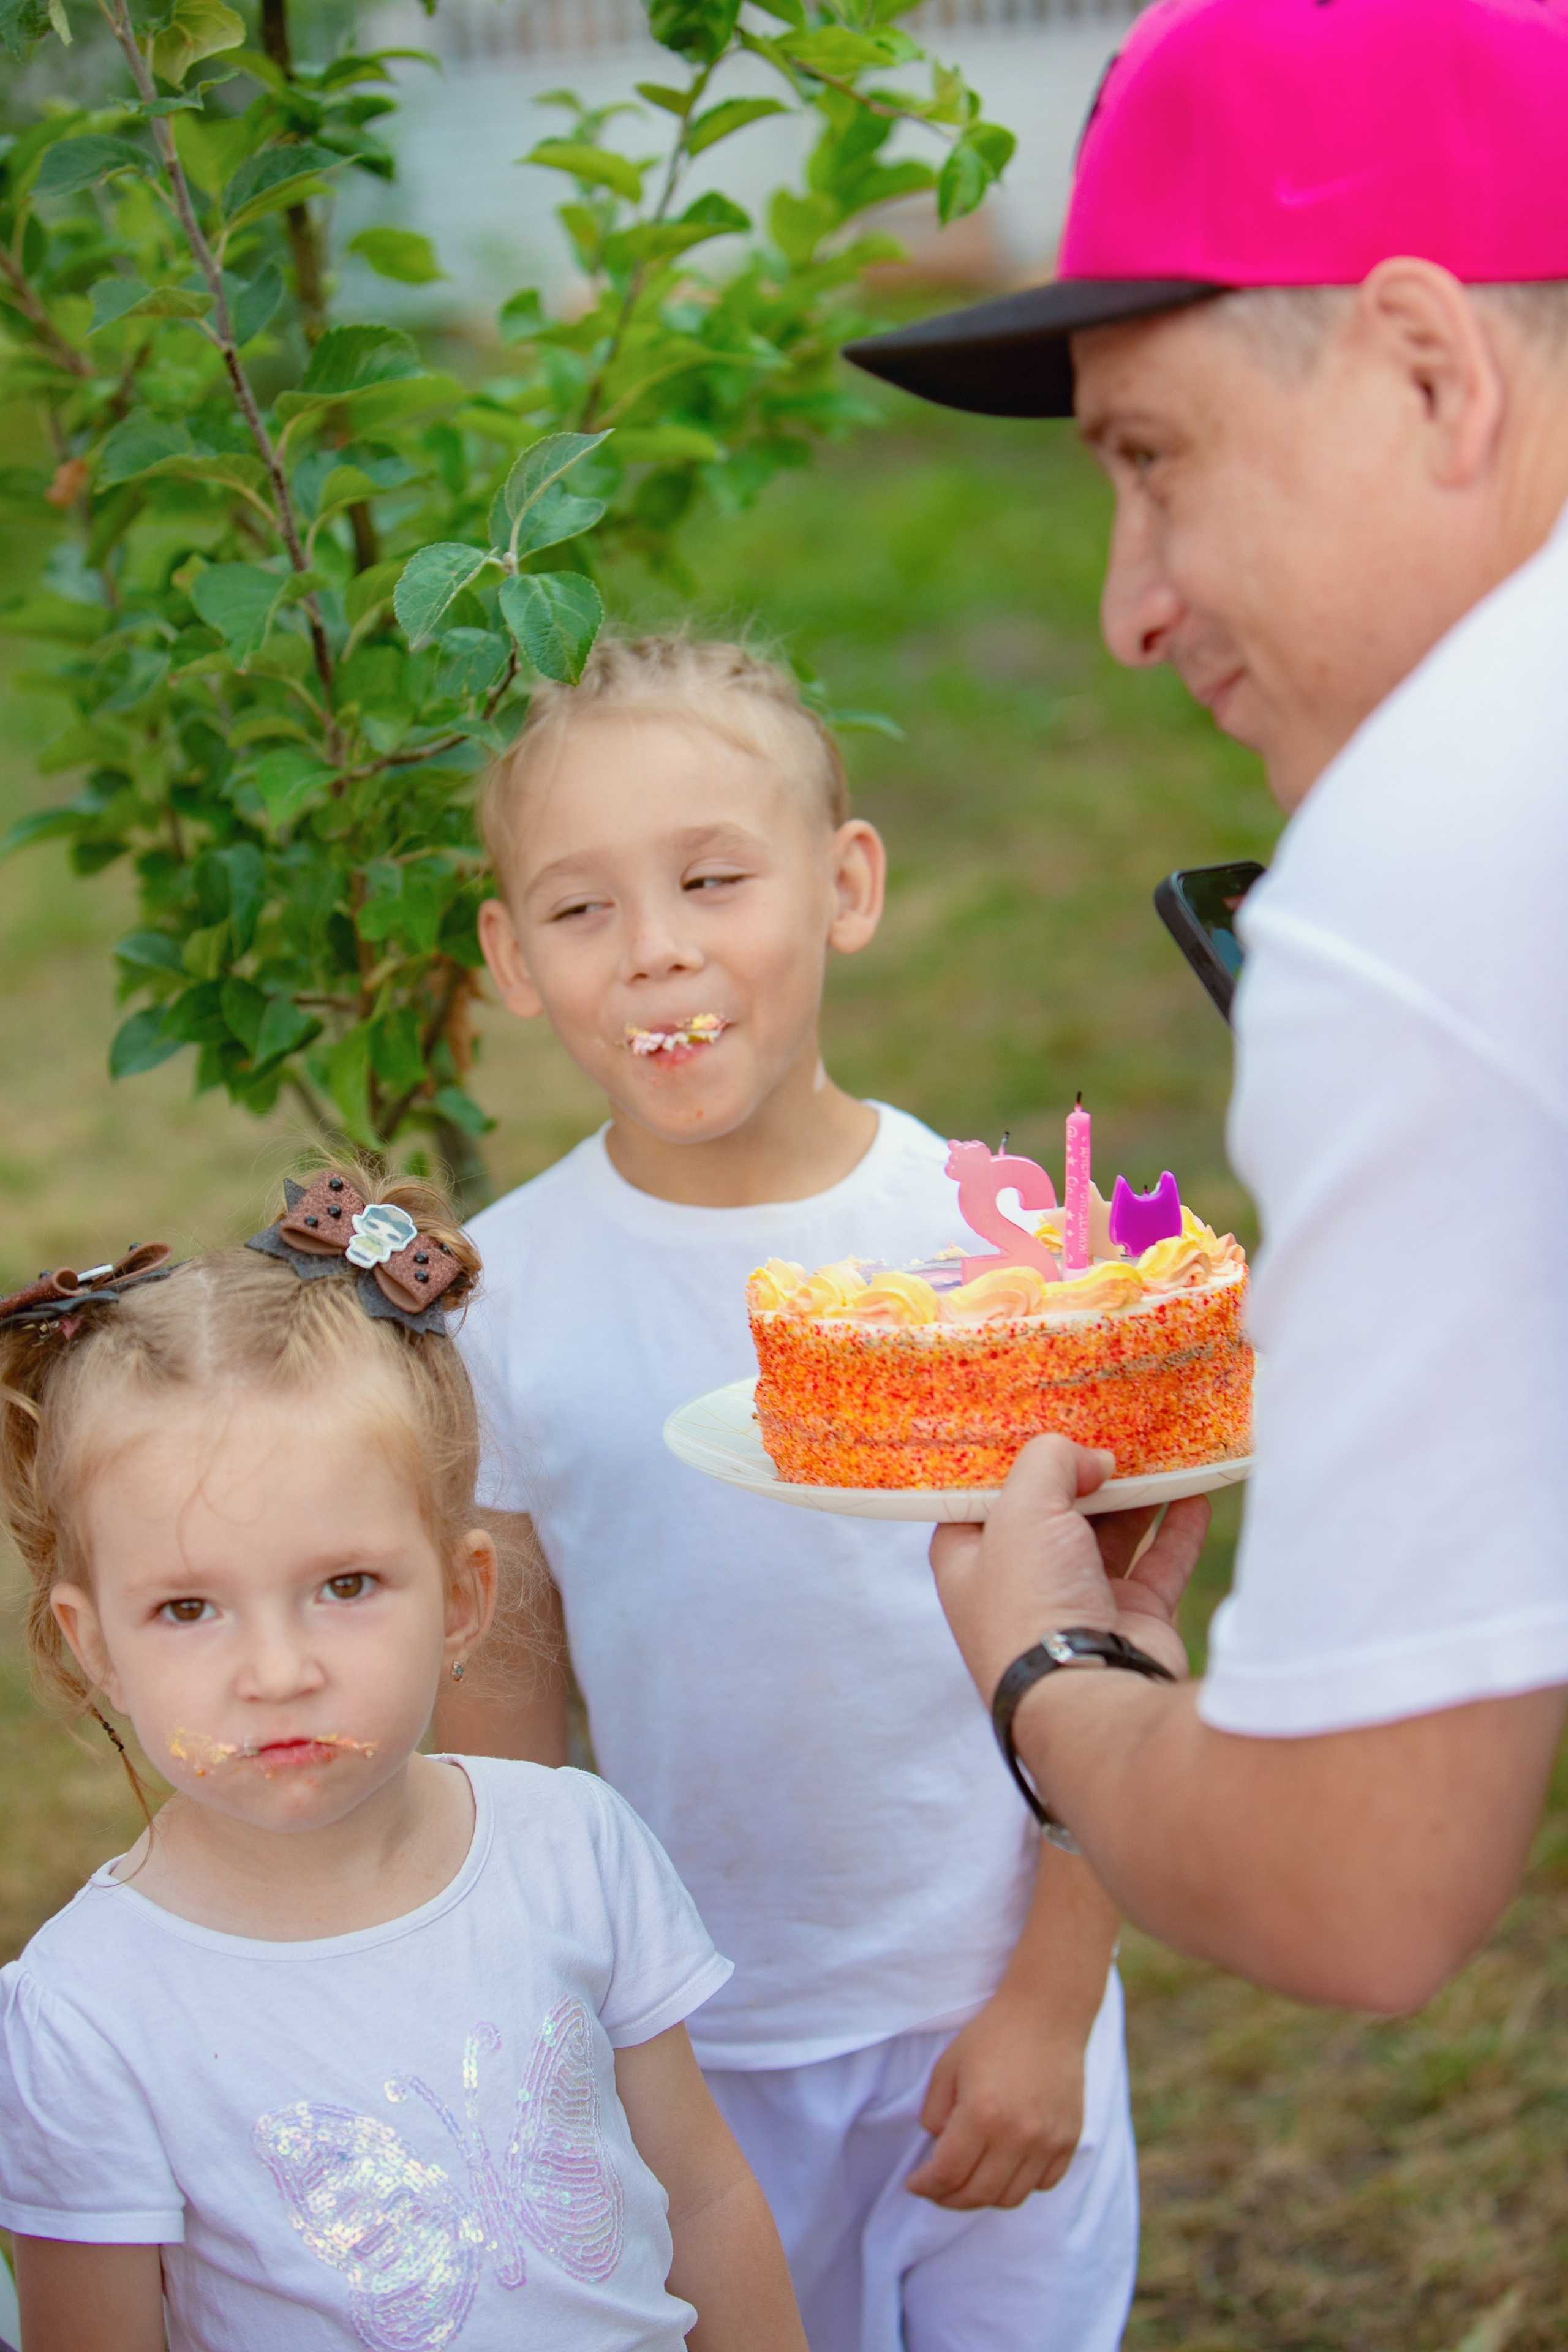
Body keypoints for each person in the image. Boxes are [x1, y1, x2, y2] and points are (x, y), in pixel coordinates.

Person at [843, 0, 1568, 2015]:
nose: (1126, 605)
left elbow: (1357, 1888)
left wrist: (1054, 1675)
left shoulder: (1432, 862)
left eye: (1151, 460)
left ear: (1432, 370)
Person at [437, 634, 1141, 2352]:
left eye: (710, 879)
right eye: (581, 907)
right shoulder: (502, 1300)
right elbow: (508, 1737)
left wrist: (1053, 2000)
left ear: (846, 885)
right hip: (696, 2054)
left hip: (991, 2009)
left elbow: (1124, 1648)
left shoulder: (998, 1256)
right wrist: (561, 2049)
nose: (657, 945)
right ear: (510, 958)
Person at [0, 1168, 806, 2352]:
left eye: (345, 1587)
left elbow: (706, 2197)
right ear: (95, 1645)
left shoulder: (574, 1848)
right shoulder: (85, 2014)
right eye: (186, 1609)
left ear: (463, 1597)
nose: (276, 1671)